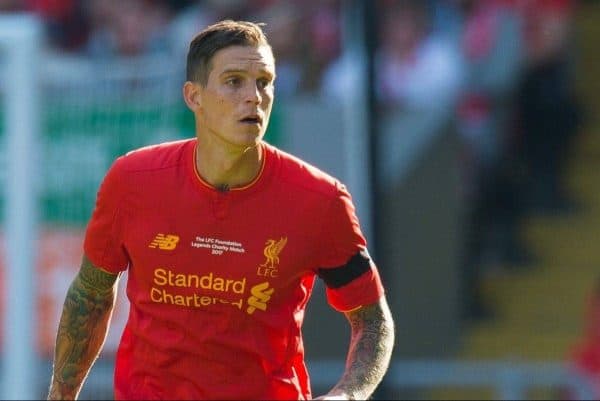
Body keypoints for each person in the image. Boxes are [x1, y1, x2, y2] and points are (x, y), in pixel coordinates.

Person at [47, 20, 395, 400]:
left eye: (264, 81)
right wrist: (60, 396)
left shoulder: (321, 201)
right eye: (234, 81)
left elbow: (372, 320)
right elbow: (91, 294)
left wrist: (349, 394)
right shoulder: (132, 180)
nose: (254, 96)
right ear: (194, 96)